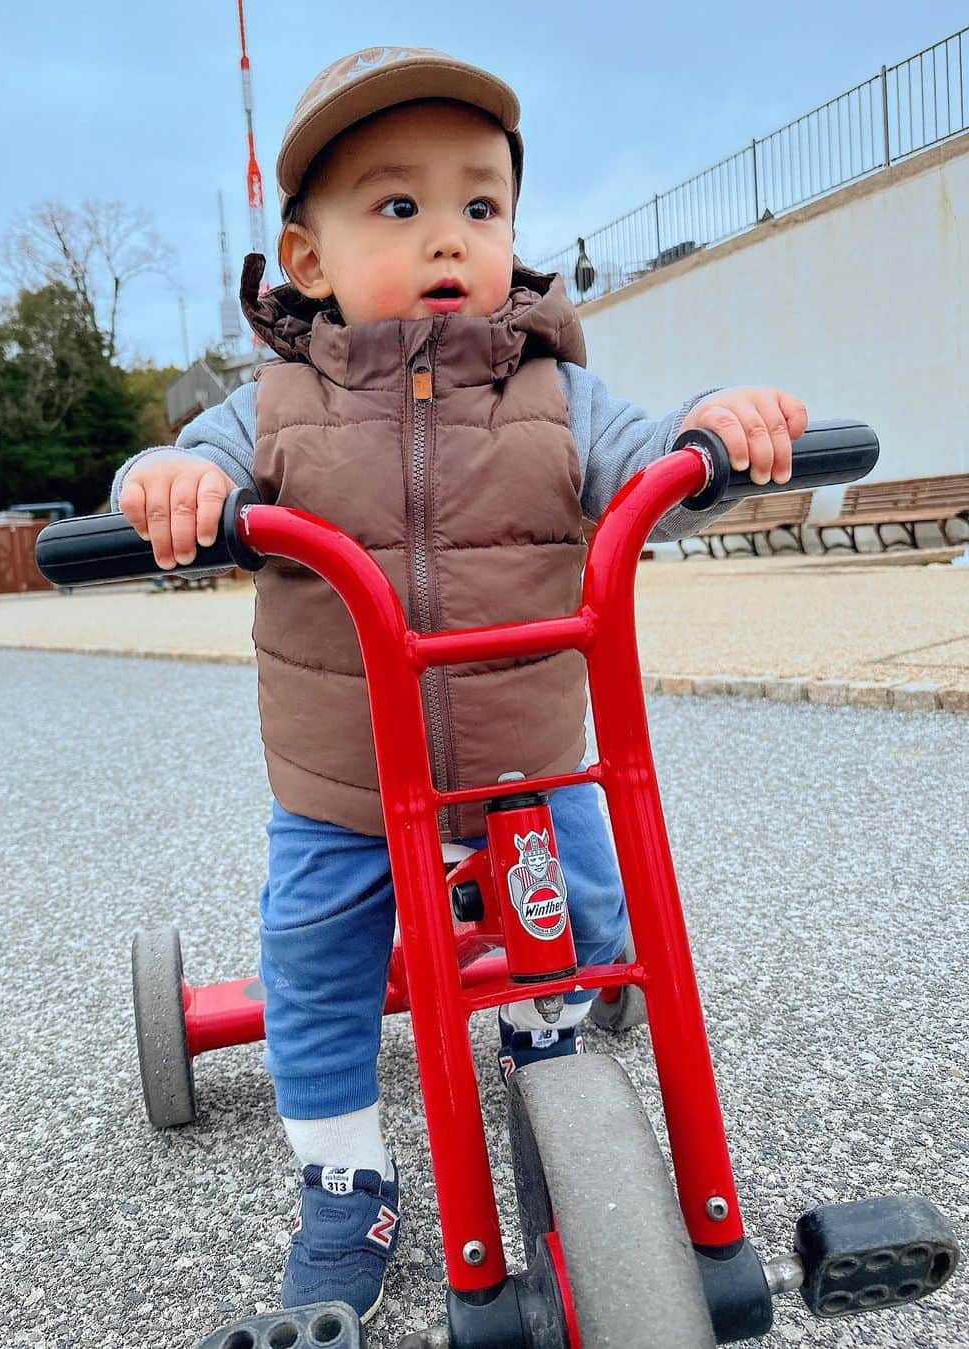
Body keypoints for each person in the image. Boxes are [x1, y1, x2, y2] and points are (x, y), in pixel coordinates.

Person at [111, 47, 808, 1323]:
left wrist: (723, 433)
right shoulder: (268, 408)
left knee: (593, 936)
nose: (450, 236)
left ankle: (554, 1054)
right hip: (345, 787)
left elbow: (664, 467)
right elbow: (173, 473)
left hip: (530, 767)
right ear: (309, 260)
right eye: (399, 206)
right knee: (315, 974)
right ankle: (343, 1183)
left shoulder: (557, 394)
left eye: (480, 206)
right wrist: (171, 485)